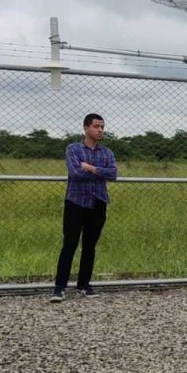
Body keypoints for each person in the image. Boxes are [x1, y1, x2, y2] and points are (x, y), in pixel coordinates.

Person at [52, 114, 117, 302]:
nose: (100, 130)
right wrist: (97, 172)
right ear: (86, 128)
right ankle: (60, 287)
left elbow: (113, 174)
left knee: (90, 246)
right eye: (96, 126)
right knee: (70, 244)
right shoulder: (73, 149)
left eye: (102, 127)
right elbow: (76, 172)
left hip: (98, 202)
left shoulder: (107, 152)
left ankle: (84, 285)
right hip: (75, 202)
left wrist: (91, 168)